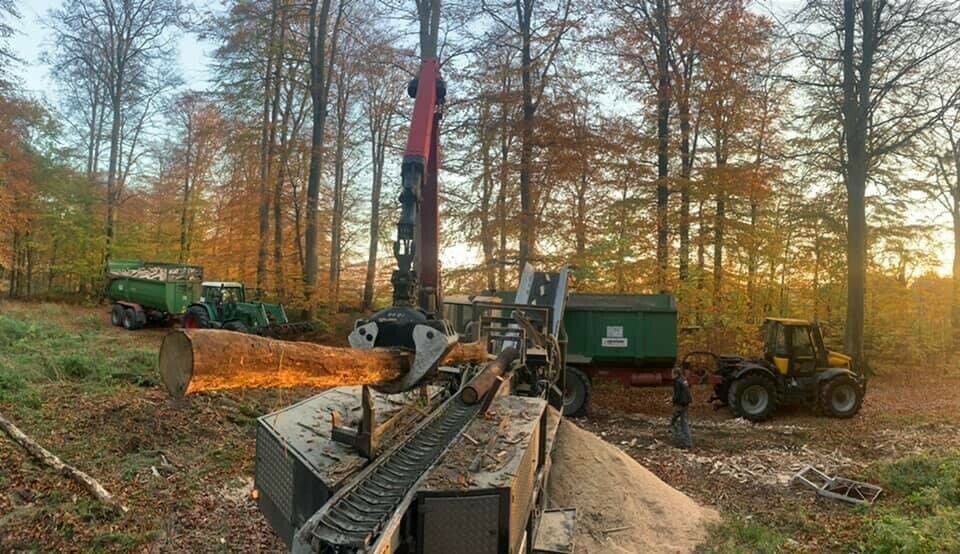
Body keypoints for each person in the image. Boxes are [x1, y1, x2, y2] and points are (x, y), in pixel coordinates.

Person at [671, 365, 693, 449]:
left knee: (674, 423)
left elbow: (677, 394)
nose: (671, 375)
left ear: (676, 374)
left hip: (680, 404)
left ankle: (681, 441)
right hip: (686, 403)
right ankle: (688, 443)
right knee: (684, 423)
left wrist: (673, 401)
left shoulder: (677, 381)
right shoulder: (683, 380)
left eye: (672, 373)